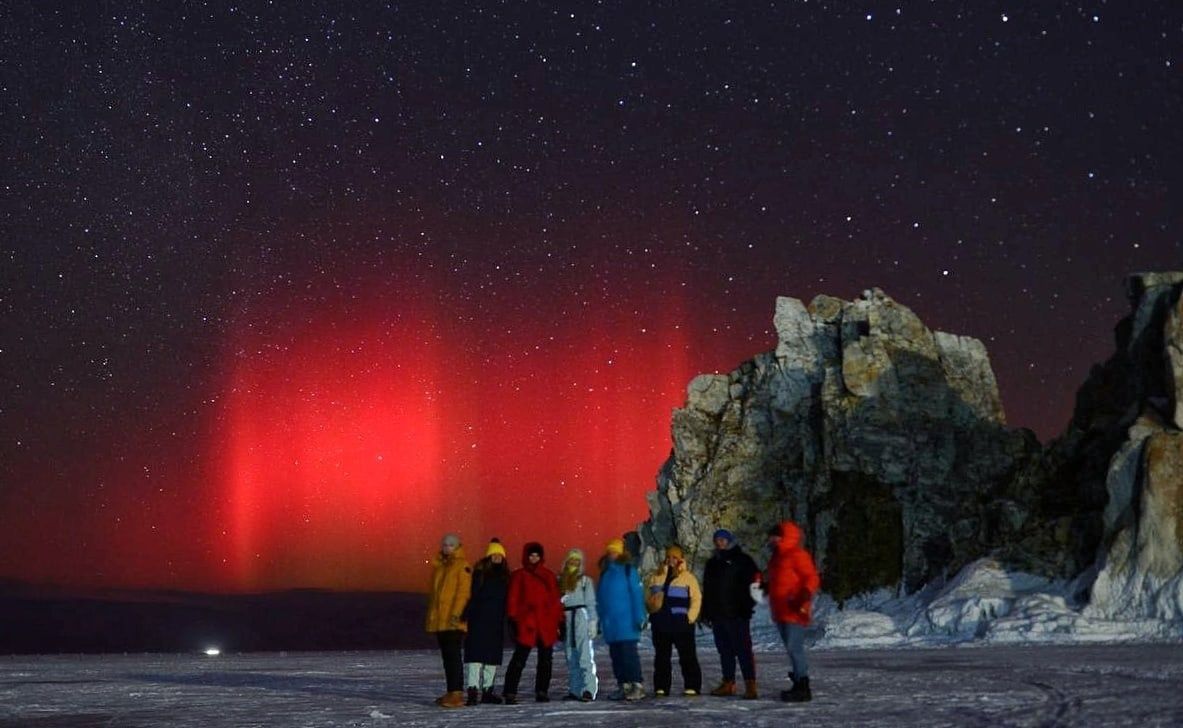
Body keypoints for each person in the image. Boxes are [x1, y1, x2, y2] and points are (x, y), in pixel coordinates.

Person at [701, 528, 760, 699]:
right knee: (724, 650)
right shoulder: (712, 563)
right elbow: (708, 589)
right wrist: (706, 611)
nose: (720, 542)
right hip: (718, 614)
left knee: (743, 650)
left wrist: (747, 606)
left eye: (723, 539)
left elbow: (755, 585)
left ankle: (750, 684)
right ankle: (728, 682)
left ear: (729, 540)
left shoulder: (743, 561)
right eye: (717, 539)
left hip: (738, 614)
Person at [765, 521, 820, 702]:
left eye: (775, 535)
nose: (771, 539)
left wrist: (803, 595)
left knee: (794, 648)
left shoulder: (797, 554)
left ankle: (803, 685)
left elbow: (811, 577)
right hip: (780, 609)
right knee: (791, 648)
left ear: (783, 536)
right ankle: (798, 681)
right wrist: (765, 586)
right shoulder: (776, 557)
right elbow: (778, 581)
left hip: (794, 608)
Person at [502, 542, 563, 704]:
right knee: (519, 659)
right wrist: (513, 619)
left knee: (545, 660)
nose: (534, 558)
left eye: (536, 555)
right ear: (526, 556)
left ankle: (542, 691)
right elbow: (513, 598)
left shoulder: (548, 575)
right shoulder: (519, 575)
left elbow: (555, 601)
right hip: (527, 623)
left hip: (545, 623)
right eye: (531, 555)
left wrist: (560, 621)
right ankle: (510, 692)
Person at [644, 544, 703, 697]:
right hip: (661, 624)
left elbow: (696, 599)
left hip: (681, 624)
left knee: (687, 656)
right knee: (662, 657)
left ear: (680, 559)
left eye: (674, 557)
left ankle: (692, 685)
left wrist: (690, 618)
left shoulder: (688, 578)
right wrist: (651, 611)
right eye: (669, 556)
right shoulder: (656, 576)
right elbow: (648, 598)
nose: (671, 560)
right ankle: (661, 686)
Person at [596, 537, 647, 701]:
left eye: (615, 552)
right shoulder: (605, 574)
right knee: (616, 657)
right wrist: (599, 620)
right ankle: (623, 685)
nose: (612, 555)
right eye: (610, 551)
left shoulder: (628, 571)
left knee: (629, 655)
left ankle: (636, 684)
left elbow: (636, 595)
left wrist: (640, 617)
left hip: (627, 624)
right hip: (611, 625)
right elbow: (601, 600)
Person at [425, 532, 472, 709]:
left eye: (451, 545)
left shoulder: (462, 566)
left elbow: (463, 593)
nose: (447, 548)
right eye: (445, 545)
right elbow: (436, 596)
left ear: (457, 547)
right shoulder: (440, 567)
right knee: (447, 657)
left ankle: (457, 694)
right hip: (441, 621)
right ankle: (451, 690)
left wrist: (457, 614)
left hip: (453, 621)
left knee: (453, 657)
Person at [462, 538, 510, 705]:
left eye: (499, 555)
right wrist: (467, 613)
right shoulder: (481, 573)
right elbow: (474, 595)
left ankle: (488, 690)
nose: (497, 557)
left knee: (491, 658)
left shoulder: (505, 576)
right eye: (494, 554)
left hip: (496, 621)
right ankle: (473, 691)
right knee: (476, 657)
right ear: (489, 556)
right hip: (479, 619)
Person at [558, 548, 599, 702]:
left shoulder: (585, 581)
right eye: (571, 559)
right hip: (567, 618)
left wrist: (593, 622)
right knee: (571, 655)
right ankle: (575, 689)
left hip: (581, 617)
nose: (574, 562)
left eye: (577, 560)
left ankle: (589, 689)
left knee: (584, 655)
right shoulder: (561, 580)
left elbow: (590, 603)